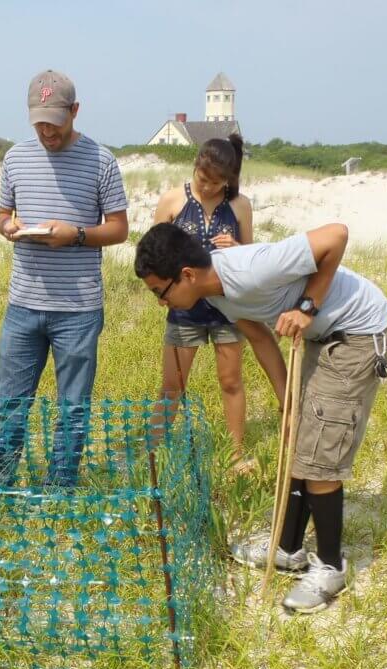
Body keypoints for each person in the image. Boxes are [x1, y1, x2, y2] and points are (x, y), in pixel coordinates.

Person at [134, 222, 387, 613]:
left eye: (160, 292)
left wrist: (305, 308)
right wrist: (287, 404)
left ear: (187, 275)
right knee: (298, 439)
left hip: (359, 332)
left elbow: (337, 235)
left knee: (320, 461)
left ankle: (331, 566)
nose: (161, 302)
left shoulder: (251, 269)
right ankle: (288, 548)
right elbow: (261, 338)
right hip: (322, 335)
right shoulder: (214, 296)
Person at [0, 69, 129, 487]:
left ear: (75, 111)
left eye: (54, 120)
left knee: (73, 405)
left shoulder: (101, 161)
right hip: (22, 303)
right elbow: (2, 214)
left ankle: (60, 485)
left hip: (78, 309)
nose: (46, 130)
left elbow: (119, 228)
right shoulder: (16, 157)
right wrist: (8, 227)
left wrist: (76, 235)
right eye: (38, 121)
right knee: (9, 402)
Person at [151, 134, 254, 473]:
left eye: (216, 183)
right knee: (172, 385)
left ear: (230, 179)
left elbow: (251, 259)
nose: (207, 187)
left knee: (231, 381)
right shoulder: (171, 201)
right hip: (184, 310)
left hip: (227, 307)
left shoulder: (240, 206)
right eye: (202, 179)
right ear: (194, 166)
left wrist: (237, 247)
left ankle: (236, 455)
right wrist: (163, 294)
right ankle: (154, 455)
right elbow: (154, 252)